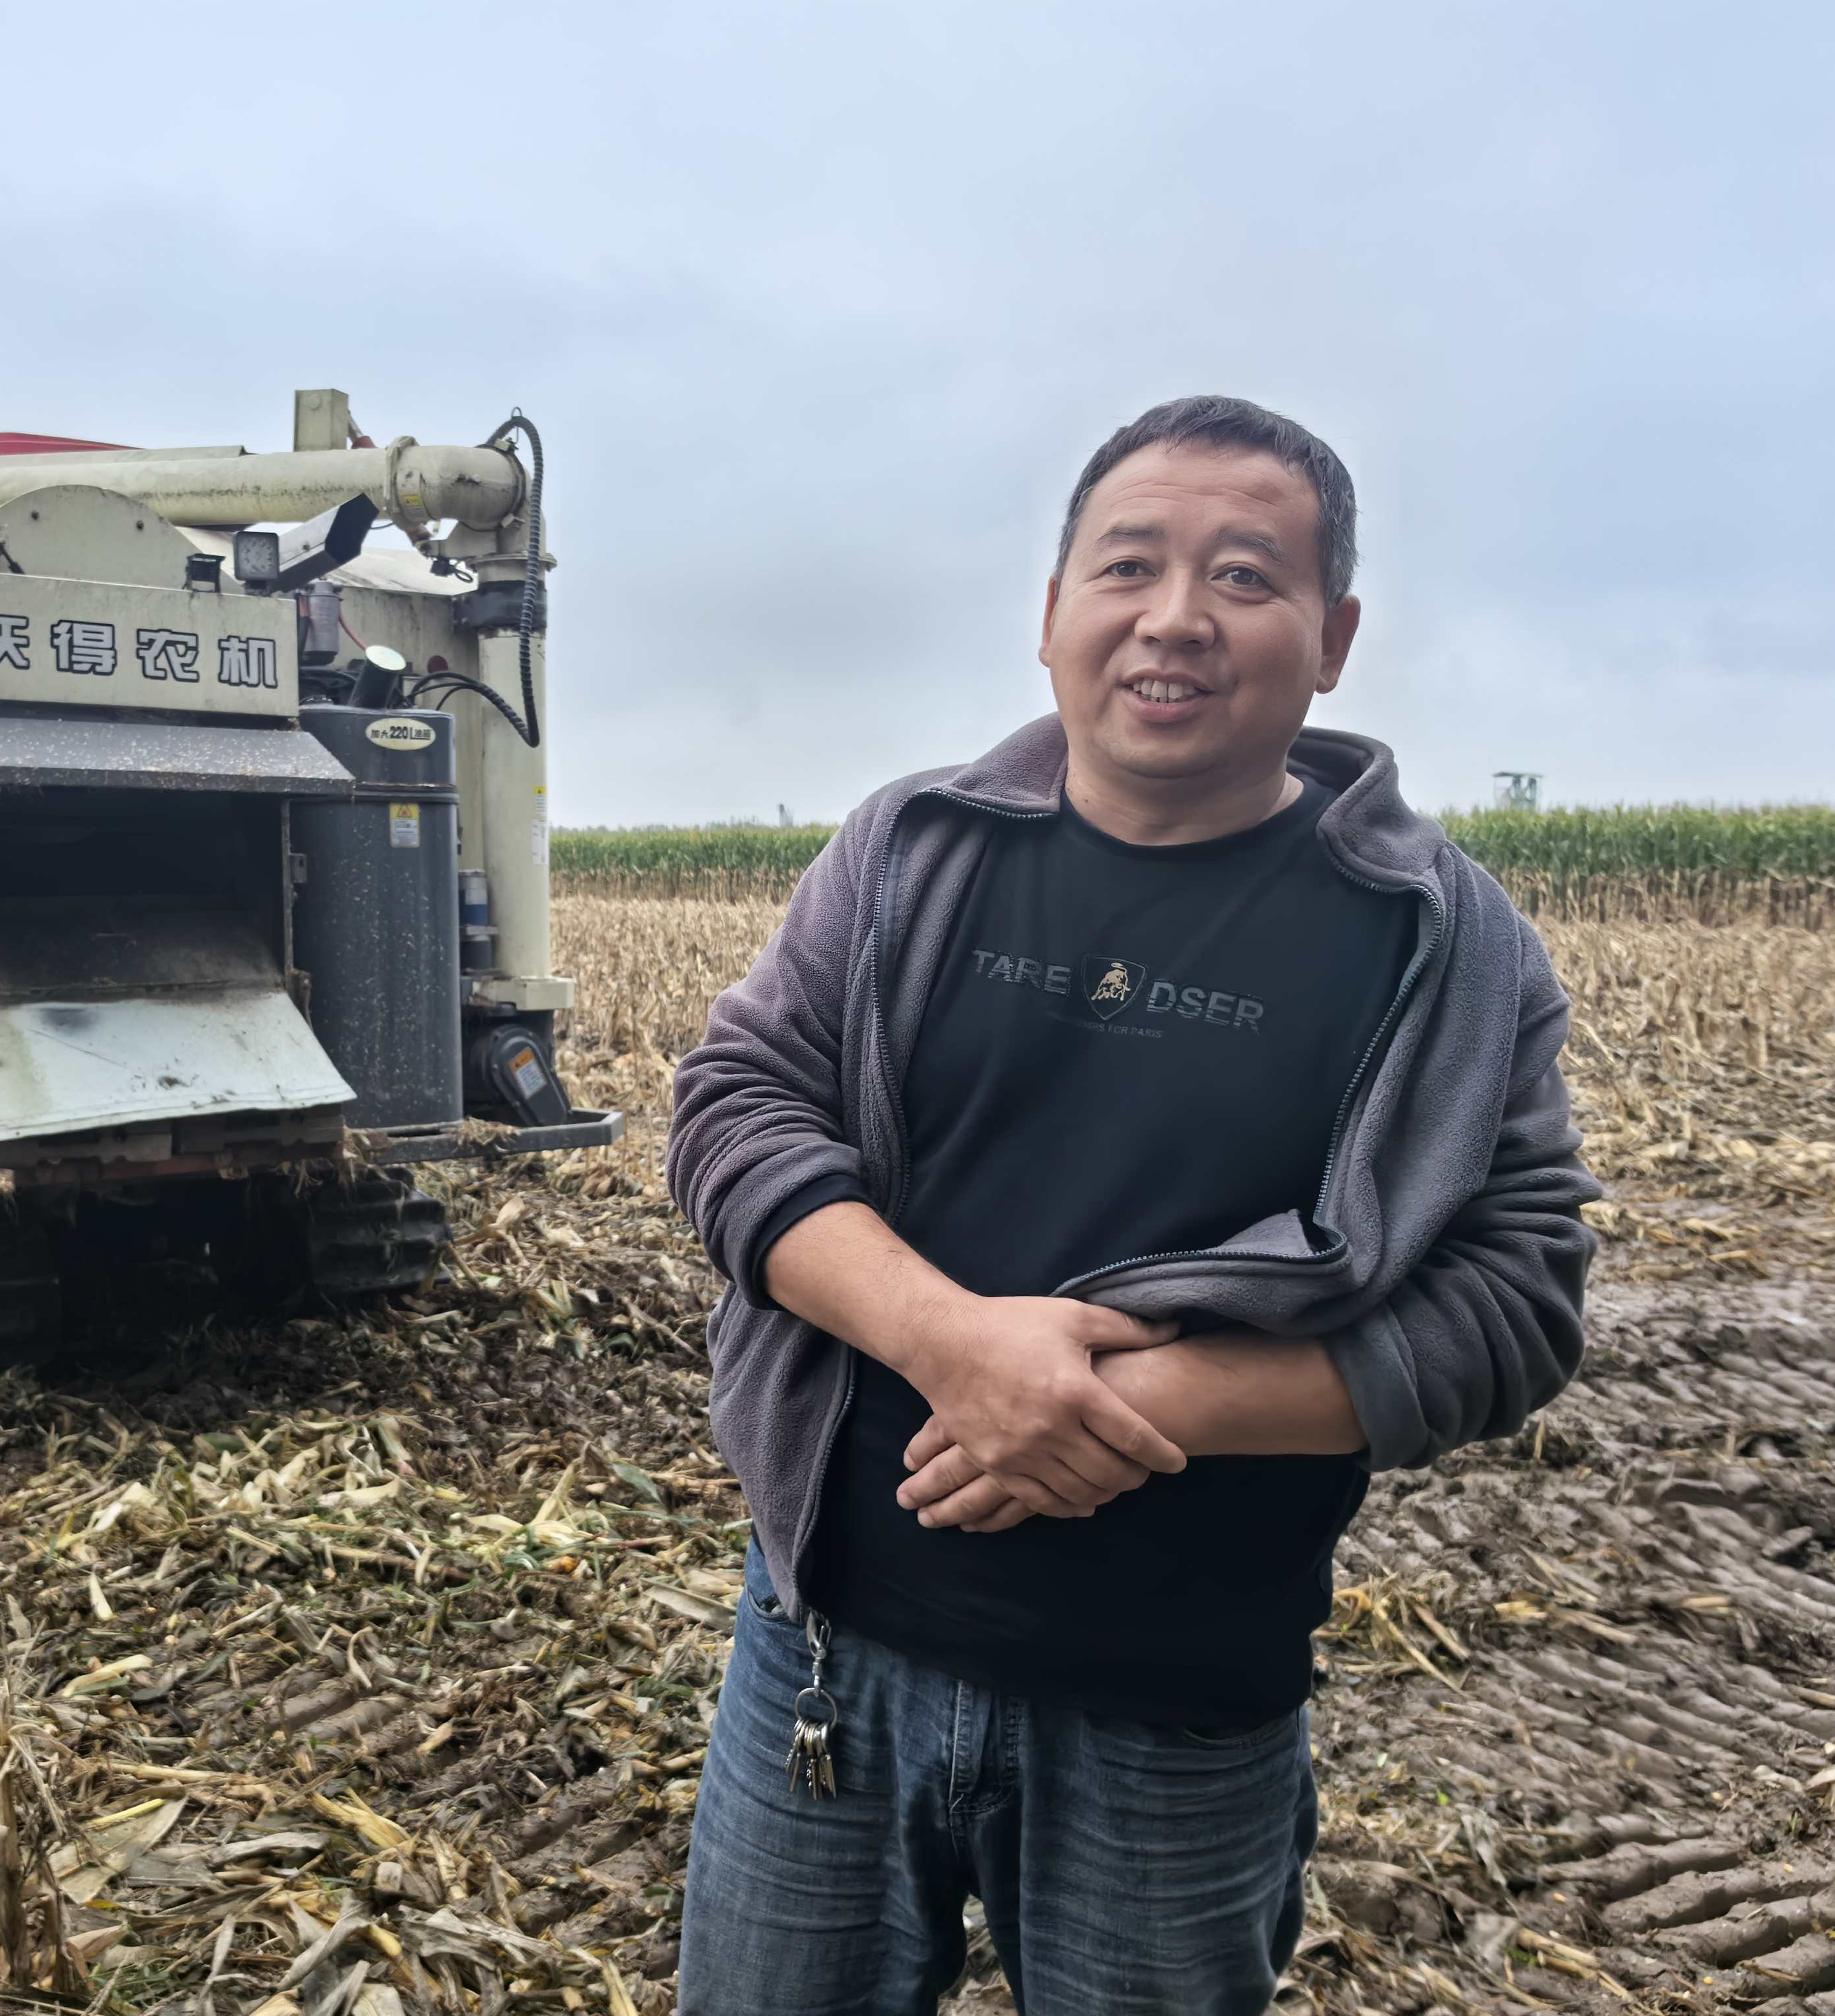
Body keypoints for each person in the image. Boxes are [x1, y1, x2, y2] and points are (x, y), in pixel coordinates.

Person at [664, 395, 1598, 2015]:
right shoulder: (911, 850)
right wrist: (954, 1344)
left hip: (1172, 1718)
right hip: (823, 1653)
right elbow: (736, 1110)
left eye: (1244, 576)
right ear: (1049, 617)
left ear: (1334, 637)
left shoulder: (1436, 944)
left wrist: (1136, 1404)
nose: (1173, 618)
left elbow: (1513, 1302)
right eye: (1126, 567)